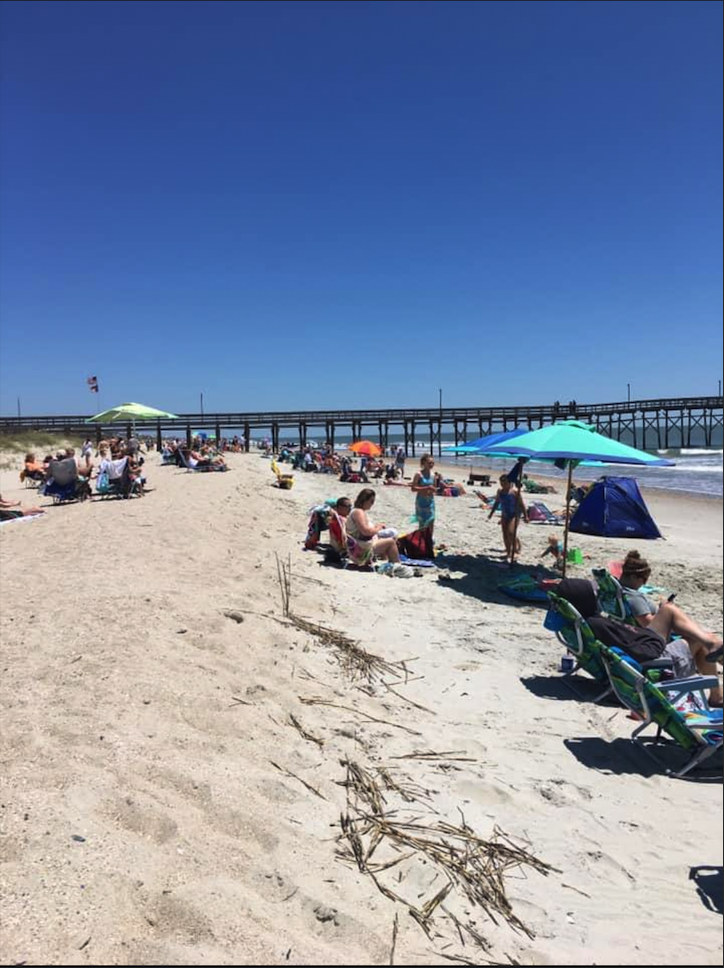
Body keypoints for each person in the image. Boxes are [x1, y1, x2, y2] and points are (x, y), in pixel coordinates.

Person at [619, 550, 723, 703]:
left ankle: (717, 692)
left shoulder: (616, 592)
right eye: (644, 580)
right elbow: (650, 628)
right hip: (653, 654)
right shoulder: (633, 598)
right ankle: (716, 695)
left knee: (702, 640)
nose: (644, 584)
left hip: (636, 644)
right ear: (634, 577)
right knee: (700, 636)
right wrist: (664, 613)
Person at [346, 489, 401, 567]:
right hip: (361, 549)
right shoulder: (358, 512)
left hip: (357, 545)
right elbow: (366, 531)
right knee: (391, 542)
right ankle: (397, 566)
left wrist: (375, 528)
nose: (372, 504)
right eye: (371, 501)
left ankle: (391, 563)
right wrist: (378, 528)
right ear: (364, 500)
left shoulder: (356, 511)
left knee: (388, 536)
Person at [489, 474, 528, 564]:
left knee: (511, 532)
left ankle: (515, 550)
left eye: (504, 482)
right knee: (505, 534)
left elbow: (522, 505)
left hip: (514, 515)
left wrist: (526, 516)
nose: (502, 484)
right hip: (504, 514)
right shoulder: (500, 491)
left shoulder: (514, 492)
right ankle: (509, 552)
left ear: (509, 482)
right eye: (501, 482)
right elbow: (496, 503)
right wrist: (491, 513)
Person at [411, 454, 439, 533]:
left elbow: (435, 488)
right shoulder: (418, 474)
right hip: (421, 501)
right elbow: (413, 488)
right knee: (422, 523)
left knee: (431, 521)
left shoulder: (433, 475)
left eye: (432, 463)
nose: (431, 465)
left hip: (430, 501)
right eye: (429, 463)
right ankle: (422, 541)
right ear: (423, 463)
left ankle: (429, 540)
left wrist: (434, 489)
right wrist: (426, 488)